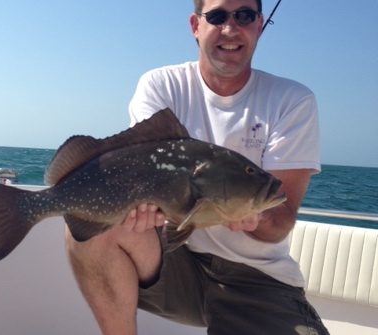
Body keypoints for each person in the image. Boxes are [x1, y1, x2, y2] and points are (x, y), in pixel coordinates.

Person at [65, 0, 329, 334]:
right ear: (195, 26)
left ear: (259, 25)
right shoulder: (161, 85)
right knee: (88, 222)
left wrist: (254, 217)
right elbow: (137, 167)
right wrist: (139, 208)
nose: (230, 28)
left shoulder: (292, 101)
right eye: (217, 16)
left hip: (258, 280)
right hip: (174, 261)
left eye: (244, 15)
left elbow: (279, 222)